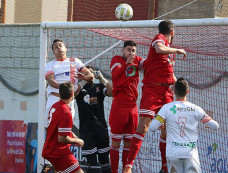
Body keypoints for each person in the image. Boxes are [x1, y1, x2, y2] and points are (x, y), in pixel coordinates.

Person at [125, 20, 187, 173]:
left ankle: (164, 168)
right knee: (143, 127)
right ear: (172, 33)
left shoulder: (170, 53)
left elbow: (169, 72)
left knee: (167, 130)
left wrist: (177, 84)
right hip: (152, 91)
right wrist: (178, 50)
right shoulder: (159, 39)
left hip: (166, 93)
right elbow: (159, 49)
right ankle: (128, 166)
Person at [149, 77, 219, 173]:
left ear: (174, 91)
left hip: (173, 153)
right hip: (190, 153)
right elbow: (215, 126)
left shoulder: (166, 108)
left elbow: (152, 128)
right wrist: (205, 121)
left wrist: (160, 124)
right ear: (188, 91)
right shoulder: (196, 109)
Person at [109, 40, 145, 172]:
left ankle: (126, 169)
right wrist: (126, 64)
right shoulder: (116, 60)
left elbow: (147, 63)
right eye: (128, 50)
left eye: (133, 50)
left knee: (129, 142)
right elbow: (115, 75)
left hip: (133, 107)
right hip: (119, 106)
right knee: (116, 143)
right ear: (123, 50)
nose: (131, 53)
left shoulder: (137, 60)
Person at [45, 39, 94, 126]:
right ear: (53, 52)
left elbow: (91, 76)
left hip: (69, 100)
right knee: (50, 128)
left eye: (60, 45)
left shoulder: (75, 61)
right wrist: (66, 88)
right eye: (55, 47)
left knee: (65, 129)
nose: (58, 48)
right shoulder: (50, 64)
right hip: (54, 99)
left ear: (66, 48)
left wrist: (84, 78)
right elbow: (51, 82)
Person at [75, 66, 113, 173]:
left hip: (101, 129)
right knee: (91, 161)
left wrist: (102, 79)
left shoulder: (99, 87)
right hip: (86, 131)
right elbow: (72, 95)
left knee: (104, 160)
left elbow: (113, 92)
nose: (89, 74)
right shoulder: (79, 88)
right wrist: (82, 81)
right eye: (86, 73)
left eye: (91, 72)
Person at [42, 81, 85, 173]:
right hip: (58, 152)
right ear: (72, 94)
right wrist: (78, 141)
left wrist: (72, 135)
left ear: (59, 94)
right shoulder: (66, 112)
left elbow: (57, 129)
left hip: (50, 149)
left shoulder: (55, 106)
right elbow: (61, 138)